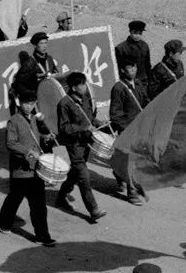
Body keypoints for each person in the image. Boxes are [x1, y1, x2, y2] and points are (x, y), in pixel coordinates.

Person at [0, 87, 57, 243]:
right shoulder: (13, 121)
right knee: (14, 199)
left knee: (39, 205)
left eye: (31, 103)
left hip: (36, 168)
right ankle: (4, 223)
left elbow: (37, 137)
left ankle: (43, 236)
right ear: (19, 103)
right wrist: (29, 152)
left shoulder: (36, 119)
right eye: (25, 103)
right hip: (20, 169)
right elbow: (11, 143)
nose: (28, 106)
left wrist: (46, 137)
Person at [55, 71, 104, 223]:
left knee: (75, 173)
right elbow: (64, 128)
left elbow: (89, 118)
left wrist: (98, 123)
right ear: (74, 87)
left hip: (86, 142)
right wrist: (83, 128)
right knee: (84, 176)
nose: (85, 86)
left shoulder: (85, 98)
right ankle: (93, 209)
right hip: (74, 144)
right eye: (82, 84)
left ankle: (61, 196)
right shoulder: (64, 103)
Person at [109, 60, 147, 204]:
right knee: (132, 162)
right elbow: (115, 114)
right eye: (129, 67)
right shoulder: (118, 88)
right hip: (127, 130)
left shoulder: (138, 84)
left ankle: (118, 173)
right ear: (122, 70)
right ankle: (132, 194)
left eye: (134, 66)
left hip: (140, 128)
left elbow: (146, 103)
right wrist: (126, 128)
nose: (133, 70)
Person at [115, 20, 152, 94]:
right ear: (130, 32)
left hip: (143, 82)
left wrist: (150, 80)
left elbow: (147, 64)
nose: (137, 35)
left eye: (140, 33)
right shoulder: (121, 48)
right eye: (135, 33)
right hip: (129, 83)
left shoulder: (145, 46)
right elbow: (118, 69)